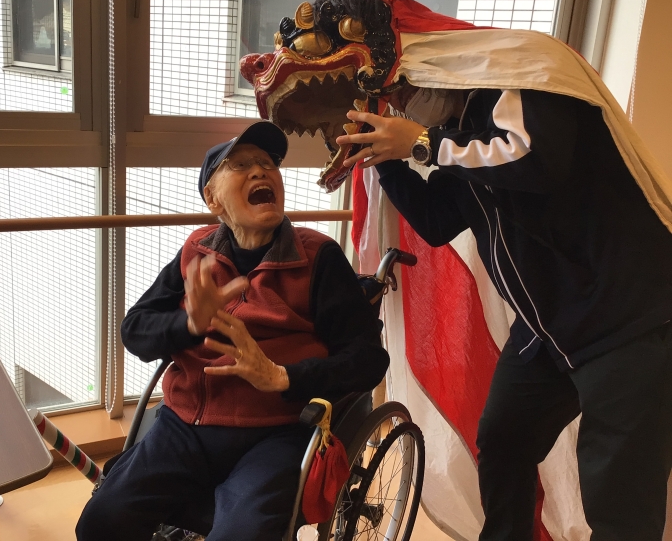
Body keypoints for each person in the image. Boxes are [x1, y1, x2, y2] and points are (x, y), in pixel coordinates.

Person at [335, 29, 672, 541]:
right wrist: (384, 158)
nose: (401, 103)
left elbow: (535, 162)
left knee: (617, 497)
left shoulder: (525, 81)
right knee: (504, 442)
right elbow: (438, 220)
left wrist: (425, 144)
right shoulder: (458, 132)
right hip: (545, 328)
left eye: (402, 88)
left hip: (625, 317)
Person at [76, 121, 389, 541]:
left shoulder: (319, 257)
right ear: (213, 199)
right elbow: (135, 331)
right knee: (100, 521)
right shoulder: (196, 252)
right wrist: (189, 325)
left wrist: (282, 376)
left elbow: (369, 359)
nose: (260, 171)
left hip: (277, 433)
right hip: (184, 426)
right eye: (240, 165)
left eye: (267, 164)